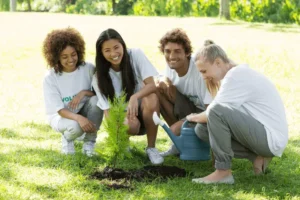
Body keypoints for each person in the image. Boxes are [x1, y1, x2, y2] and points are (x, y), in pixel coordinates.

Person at [187, 43, 288, 184]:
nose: (204, 77)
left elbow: (213, 112)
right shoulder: (236, 74)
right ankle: (256, 156)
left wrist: (192, 117)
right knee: (203, 130)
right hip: (263, 135)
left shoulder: (236, 76)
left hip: (270, 138)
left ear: (218, 62)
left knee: (216, 111)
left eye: (204, 71)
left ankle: (223, 172)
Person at [92, 28, 163, 165]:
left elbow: (152, 85)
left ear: (122, 45)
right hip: (127, 120)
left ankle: (152, 148)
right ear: (101, 53)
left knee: (151, 97)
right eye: (107, 50)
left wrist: (135, 97)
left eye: (116, 47)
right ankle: (125, 144)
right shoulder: (98, 77)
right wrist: (117, 138)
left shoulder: (135, 55)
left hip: (145, 112)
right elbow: (108, 112)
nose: (113, 54)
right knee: (130, 125)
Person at [42, 27, 103, 157]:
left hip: (83, 110)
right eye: (64, 56)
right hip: (60, 116)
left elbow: (99, 95)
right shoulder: (50, 77)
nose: (70, 60)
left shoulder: (88, 68)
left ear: (79, 52)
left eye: (73, 54)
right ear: (55, 57)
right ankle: (67, 138)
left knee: (97, 101)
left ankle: (89, 143)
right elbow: (59, 110)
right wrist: (79, 118)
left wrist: (84, 93)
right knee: (75, 127)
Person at [156, 28, 212, 157]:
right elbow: (160, 77)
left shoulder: (199, 70)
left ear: (187, 53)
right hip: (189, 108)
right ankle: (179, 141)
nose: (172, 56)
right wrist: (163, 80)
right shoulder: (171, 66)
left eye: (177, 51)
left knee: (175, 129)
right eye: (167, 51)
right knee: (158, 90)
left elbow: (212, 111)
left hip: (205, 115)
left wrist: (185, 122)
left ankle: (183, 139)